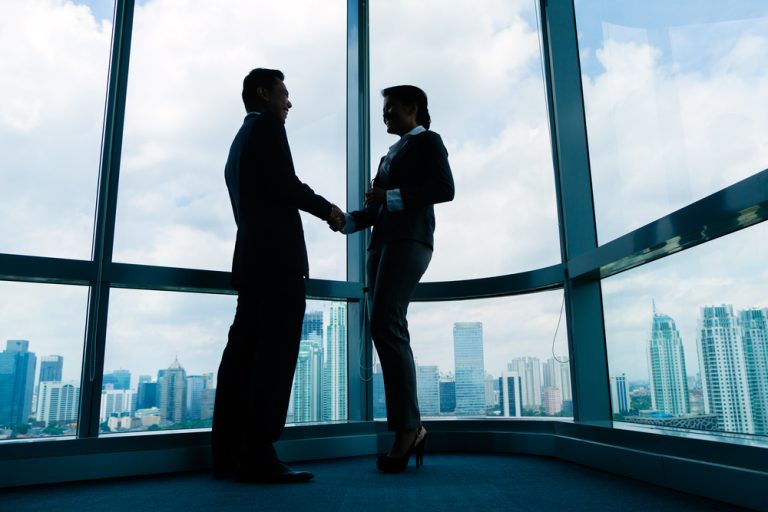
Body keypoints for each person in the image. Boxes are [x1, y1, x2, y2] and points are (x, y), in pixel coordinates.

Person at [212, 68, 345, 483]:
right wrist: (329, 210)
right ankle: (258, 454)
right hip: (277, 263)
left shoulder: (237, 143)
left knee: (242, 359)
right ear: (263, 93)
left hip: (251, 262)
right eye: (283, 94)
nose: (288, 103)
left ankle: (228, 453)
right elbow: (287, 185)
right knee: (273, 359)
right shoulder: (267, 126)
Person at [339, 85, 454, 472]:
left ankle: (408, 428)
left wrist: (390, 197)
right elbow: (377, 206)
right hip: (381, 243)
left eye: (389, 109)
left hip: (410, 240)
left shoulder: (428, 142)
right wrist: (349, 221)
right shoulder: (391, 152)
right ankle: (409, 426)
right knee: (385, 326)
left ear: (413, 108)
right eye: (383, 109)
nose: (384, 115)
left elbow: (444, 189)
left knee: (386, 324)